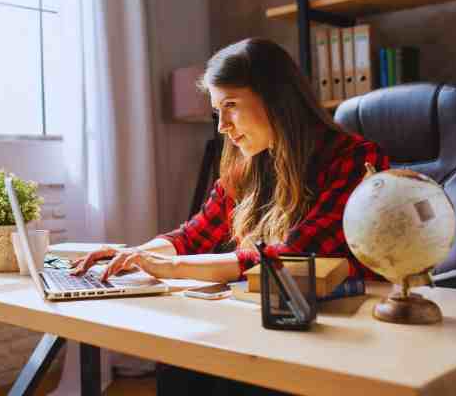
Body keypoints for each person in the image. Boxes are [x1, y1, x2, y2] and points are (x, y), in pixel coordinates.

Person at [71, 38, 390, 394]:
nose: (222, 125)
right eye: (216, 110)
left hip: (350, 335)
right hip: (281, 324)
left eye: (232, 106)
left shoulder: (355, 159)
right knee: (180, 362)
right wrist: (133, 256)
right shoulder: (247, 166)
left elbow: (295, 257)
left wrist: (173, 269)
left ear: (276, 100)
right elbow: (193, 235)